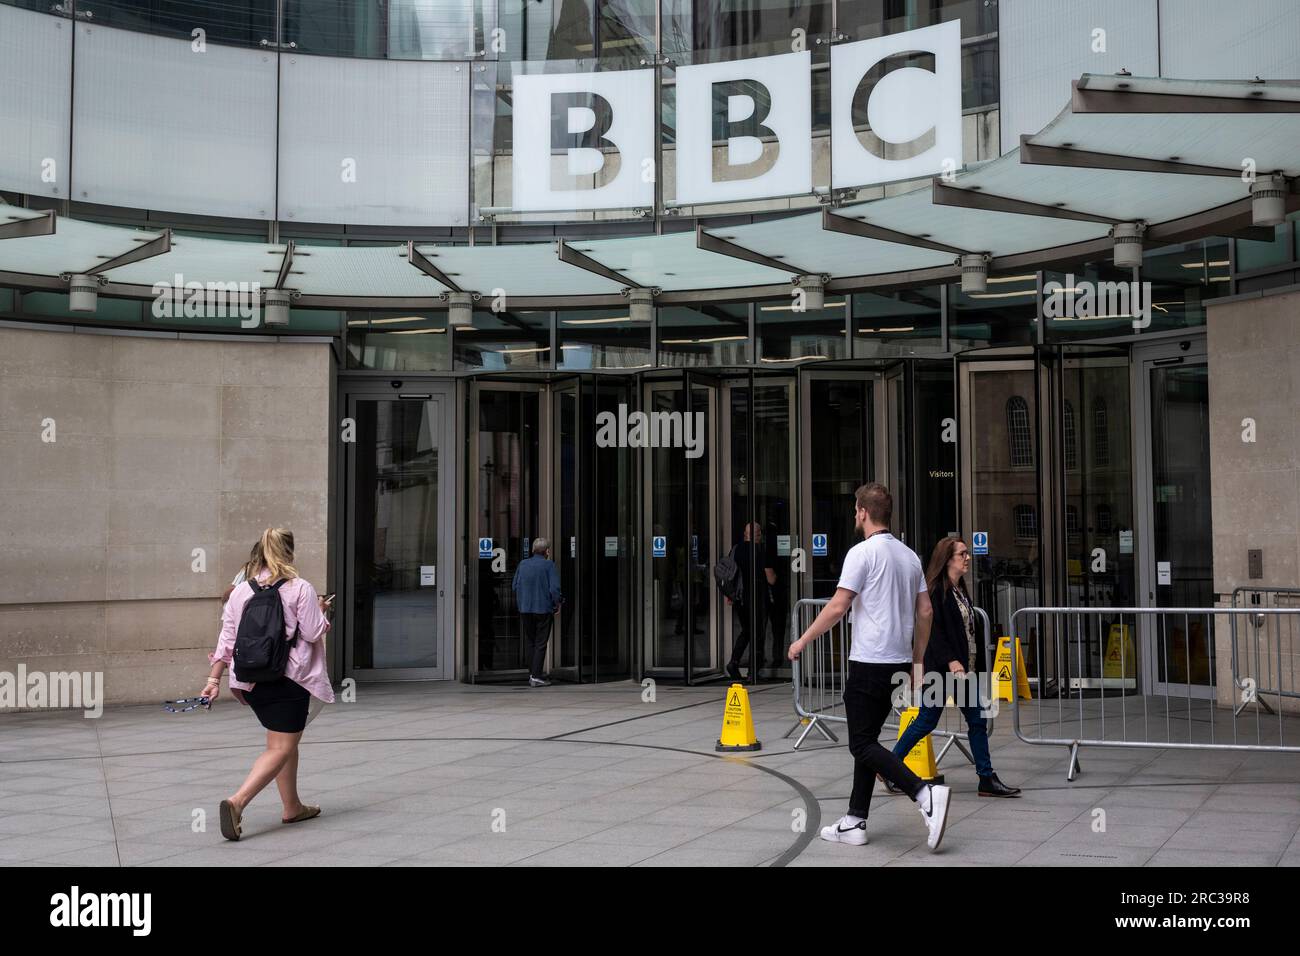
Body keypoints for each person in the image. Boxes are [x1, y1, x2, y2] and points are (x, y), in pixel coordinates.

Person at [787, 483, 952, 851]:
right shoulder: (909, 556)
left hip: (868, 661)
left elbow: (837, 606)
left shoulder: (861, 554)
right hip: (896, 662)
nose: (854, 515)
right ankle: (855, 820)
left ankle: (924, 793)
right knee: (868, 741)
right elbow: (925, 611)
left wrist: (802, 641)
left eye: (855, 510)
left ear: (862, 511)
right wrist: (918, 660)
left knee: (861, 743)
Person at [203, 528, 334, 841]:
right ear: (289, 553)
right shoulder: (299, 588)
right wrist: (322, 610)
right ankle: (237, 803)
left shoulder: (240, 592)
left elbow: (227, 639)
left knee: (282, 742)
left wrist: (212, 679)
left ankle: (292, 806)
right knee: (280, 747)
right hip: (289, 679)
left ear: (258, 553)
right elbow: (314, 633)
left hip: (252, 680)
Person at [890, 536, 1020, 798]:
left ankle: (986, 778)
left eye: (967, 553)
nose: (967, 558)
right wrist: (951, 660)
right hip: (943, 670)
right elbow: (934, 632)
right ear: (948, 559)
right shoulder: (936, 591)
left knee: (977, 720)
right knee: (925, 721)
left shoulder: (959, 589)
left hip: (965, 671)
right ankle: (891, 766)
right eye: (962, 554)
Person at [513, 537, 562, 687]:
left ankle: (532, 673)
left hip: (525, 609)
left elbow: (515, 585)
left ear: (533, 550)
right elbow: (554, 589)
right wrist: (558, 603)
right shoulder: (549, 565)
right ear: (547, 551)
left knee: (530, 642)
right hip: (543, 609)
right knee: (541, 643)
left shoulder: (523, 564)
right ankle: (536, 676)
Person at [726, 522, 770, 680]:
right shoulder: (760, 550)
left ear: (745, 534)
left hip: (740, 598)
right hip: (757, 597)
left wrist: (729, 595)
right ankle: (753, 671)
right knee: (758, 633)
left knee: (746, 631)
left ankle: (734, 662)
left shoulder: (736, 549)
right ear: (758, 535)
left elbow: (729, 573)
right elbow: (770, 578)